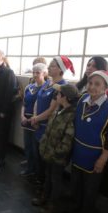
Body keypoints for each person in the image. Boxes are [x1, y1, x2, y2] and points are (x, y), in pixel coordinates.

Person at [71, 70, 108, 213]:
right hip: (77, 150)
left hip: (95, 155)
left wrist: (103, 159)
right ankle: (76, 208)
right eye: (90, 83)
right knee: (76, 184)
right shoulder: (82, 101)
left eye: (97, 84)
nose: (92, 87)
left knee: (90, 189)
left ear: (106, 87)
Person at [30, 56, 74, 185]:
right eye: (49, 65)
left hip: (48, 129)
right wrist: (34, 117)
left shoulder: (62, 87)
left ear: (61, 70)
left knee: (46, 162)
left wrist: (36, 119)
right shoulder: (48, 82)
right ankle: (39, 182)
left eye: (53, 65)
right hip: (38, 124)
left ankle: (44, 189)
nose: (49, 67)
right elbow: (38, 100)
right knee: (38, 157)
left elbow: (52, 110)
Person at [37, 84, 79, 213]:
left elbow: (67, 139)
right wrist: (44, 144)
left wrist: (56, 152)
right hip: (49, 152)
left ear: (65, 97)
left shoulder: (71, 115)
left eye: (58, 94)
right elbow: (49, 130)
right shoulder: (59, 109)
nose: (56, 96)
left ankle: (52, 205)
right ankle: (44, 197)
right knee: (48, 176)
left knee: (56, 180)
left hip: (58, 156)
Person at [20, 63, 48, 177]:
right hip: (26, 121)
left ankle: (38, 173)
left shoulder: (46, 88)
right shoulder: (29, 87)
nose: (35, 75)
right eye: (34, 72)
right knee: (27, 147)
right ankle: (29, 168)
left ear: (44, 73)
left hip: (38, 123)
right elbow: (24, 104)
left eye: (38, 72)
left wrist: (35, 119)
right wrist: (22, 116)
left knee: (36, 150)